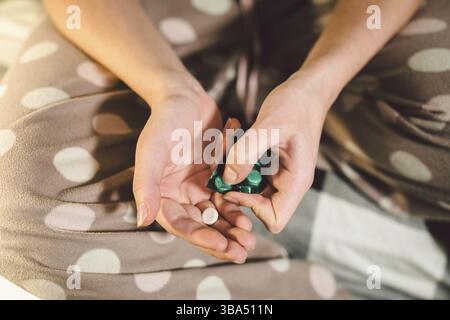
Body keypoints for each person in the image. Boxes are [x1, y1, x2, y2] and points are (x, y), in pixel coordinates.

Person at [0, 0, 448, 299]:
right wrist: (170, 91)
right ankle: (284, 290)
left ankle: (323, 125)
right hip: (144, 22)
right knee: (18, 200)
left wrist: (317, 87)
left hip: (333, 15)